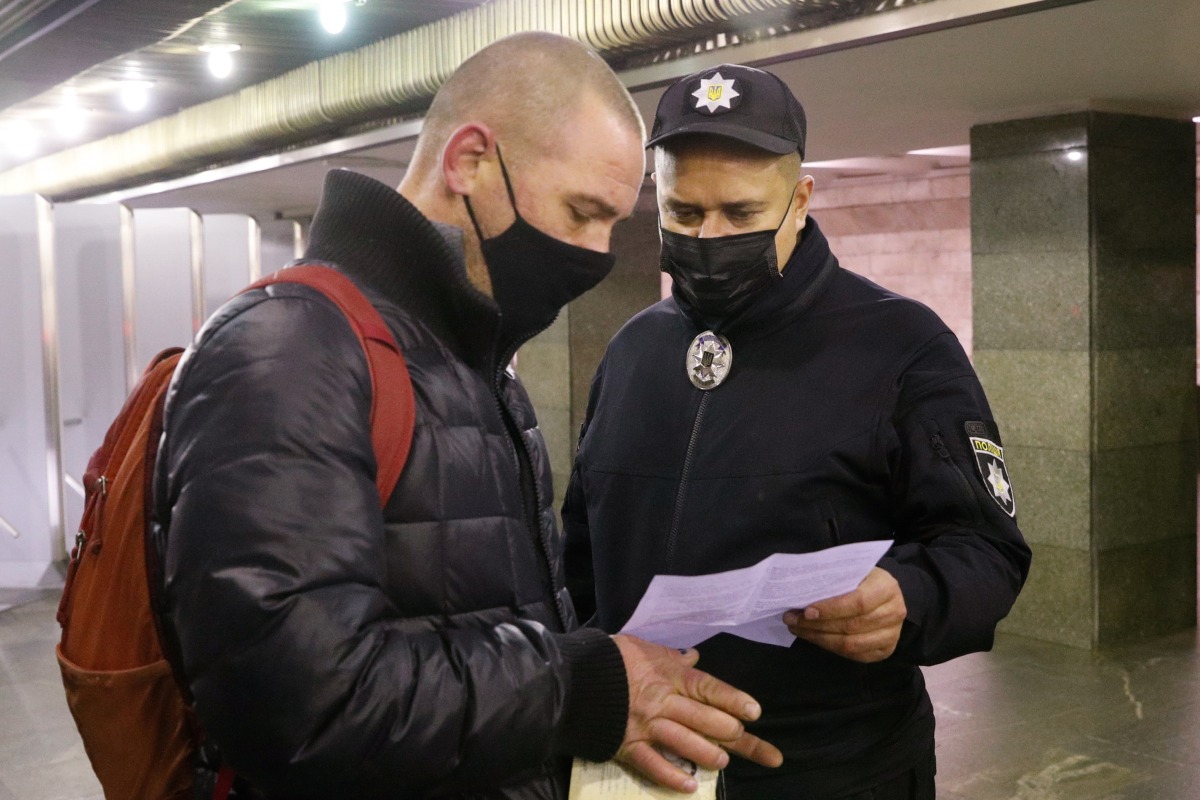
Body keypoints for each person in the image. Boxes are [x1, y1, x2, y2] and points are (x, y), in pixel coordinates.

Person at [151, 36, 782, 799]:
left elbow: (490, 620)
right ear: (470, 161)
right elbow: (294, 704)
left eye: (613, 224)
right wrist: (582, 689)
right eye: (581, 212)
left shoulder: (474, 361)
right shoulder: (291, 348)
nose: (596, 254)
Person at [562, 63, 1032, 799]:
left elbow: (986, 549)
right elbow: (580, 554)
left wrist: (910, 595)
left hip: (835, 767)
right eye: (684, 213)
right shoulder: (631, 351)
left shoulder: (902, 345)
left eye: (741, 213)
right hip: (642, 762)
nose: (709, 236)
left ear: (801, 199)